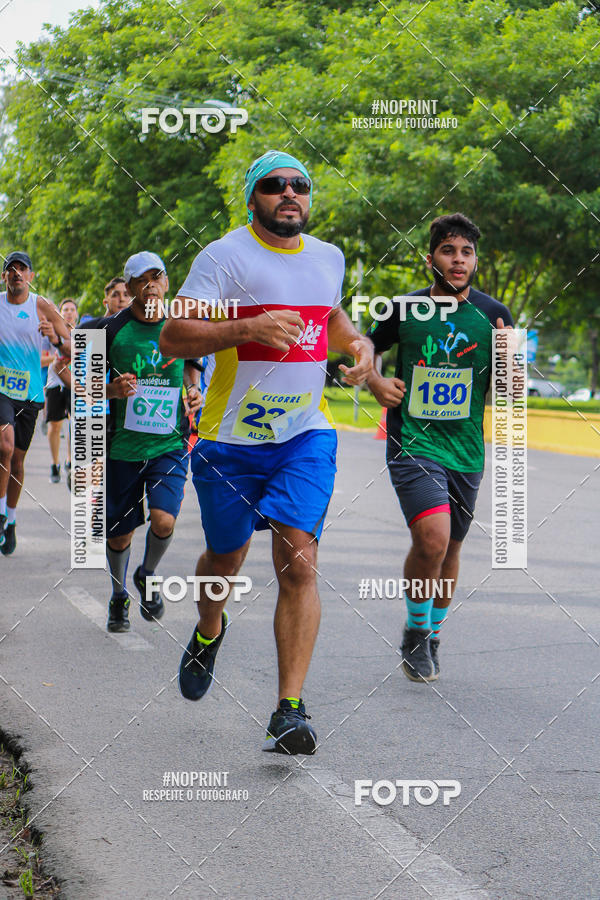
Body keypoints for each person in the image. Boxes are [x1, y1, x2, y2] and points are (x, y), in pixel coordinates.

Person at [160, 149, 373, 755]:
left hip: (305, 435)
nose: (290, 194)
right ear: (252, 197)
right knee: (224, 560)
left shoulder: (328, 258)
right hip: (229, 443)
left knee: (299, 563)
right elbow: (175, 335)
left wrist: (358, 347)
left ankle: (289, 709)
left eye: (300, 185)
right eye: (275, 186)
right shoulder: (225, 257)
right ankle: (208, 627)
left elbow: (331, 319)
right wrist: (244, 328)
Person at [366, 213, 514, 682]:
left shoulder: (495, 315)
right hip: (413, 442)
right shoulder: (402, 309)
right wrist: (373, 380)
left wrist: (509, 372)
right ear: (430, 258)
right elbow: (366, 344)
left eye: (466, 252)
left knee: (450, 549)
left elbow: (511, 384)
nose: (458, 260)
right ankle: (414, 631)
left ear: (475, 260)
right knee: (431, 538)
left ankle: (432, 634)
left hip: (467, 449)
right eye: (449, 251)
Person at [84, 252, 201, 632]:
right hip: (122, 448)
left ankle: (148, 574)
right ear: (129, 287)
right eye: (142, 279)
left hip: (168, 443)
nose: (151, 285)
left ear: (167, 282)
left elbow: (192, 366)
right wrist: (110, 390)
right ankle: (119, 596)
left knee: (165, 519)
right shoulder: (107, 330)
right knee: (119, 536)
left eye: (157, 277)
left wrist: (195, 391)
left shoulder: (182, 324)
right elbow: (84, 390)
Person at [0, 251, 72, 554]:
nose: (16, 273)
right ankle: (1, 514)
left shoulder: (41, 306)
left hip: (30, 394)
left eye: (22, 268)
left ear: (31, 276)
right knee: (4, 445)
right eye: (10, 269)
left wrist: (54, 338)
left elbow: (71, 344)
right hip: (1, 389)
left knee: (17, 460)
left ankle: (12, 519)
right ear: (4, 277)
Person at [44, 298, 78, 483]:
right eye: (65, 309)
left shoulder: (82, 334)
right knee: (55, 425)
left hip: (75, 383)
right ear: (59, 312)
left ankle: (70, 460)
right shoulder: (51, 334)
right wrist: (59, 354)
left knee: (75, 424)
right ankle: (54, 463)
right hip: (54, 383)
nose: (69, 313)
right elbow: (41, 358)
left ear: (77, 314)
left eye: (72, 309)